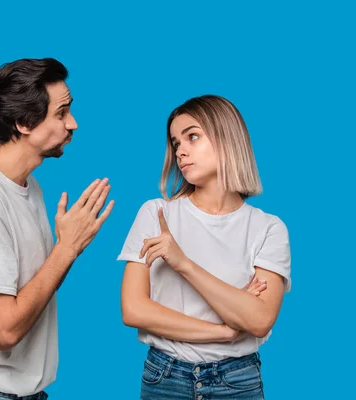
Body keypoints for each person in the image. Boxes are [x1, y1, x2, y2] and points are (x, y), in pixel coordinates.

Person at [0, 58, 114, 400]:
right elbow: (3, 331)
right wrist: (65, 249)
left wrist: (68, 248)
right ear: (23, 122)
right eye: (61, 113)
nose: (73, 123)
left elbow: (33, 291)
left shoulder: (28, 186)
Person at [118, 95, 291, 399]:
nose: (181, 151)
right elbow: (134, 309)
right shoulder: (157, 214)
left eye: (192, 136)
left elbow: (259, 320)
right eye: (175, 143)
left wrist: (183, 263)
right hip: (165, 377)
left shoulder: (268, 228)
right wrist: (225, 330)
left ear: (227, 138)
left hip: (237, 381)